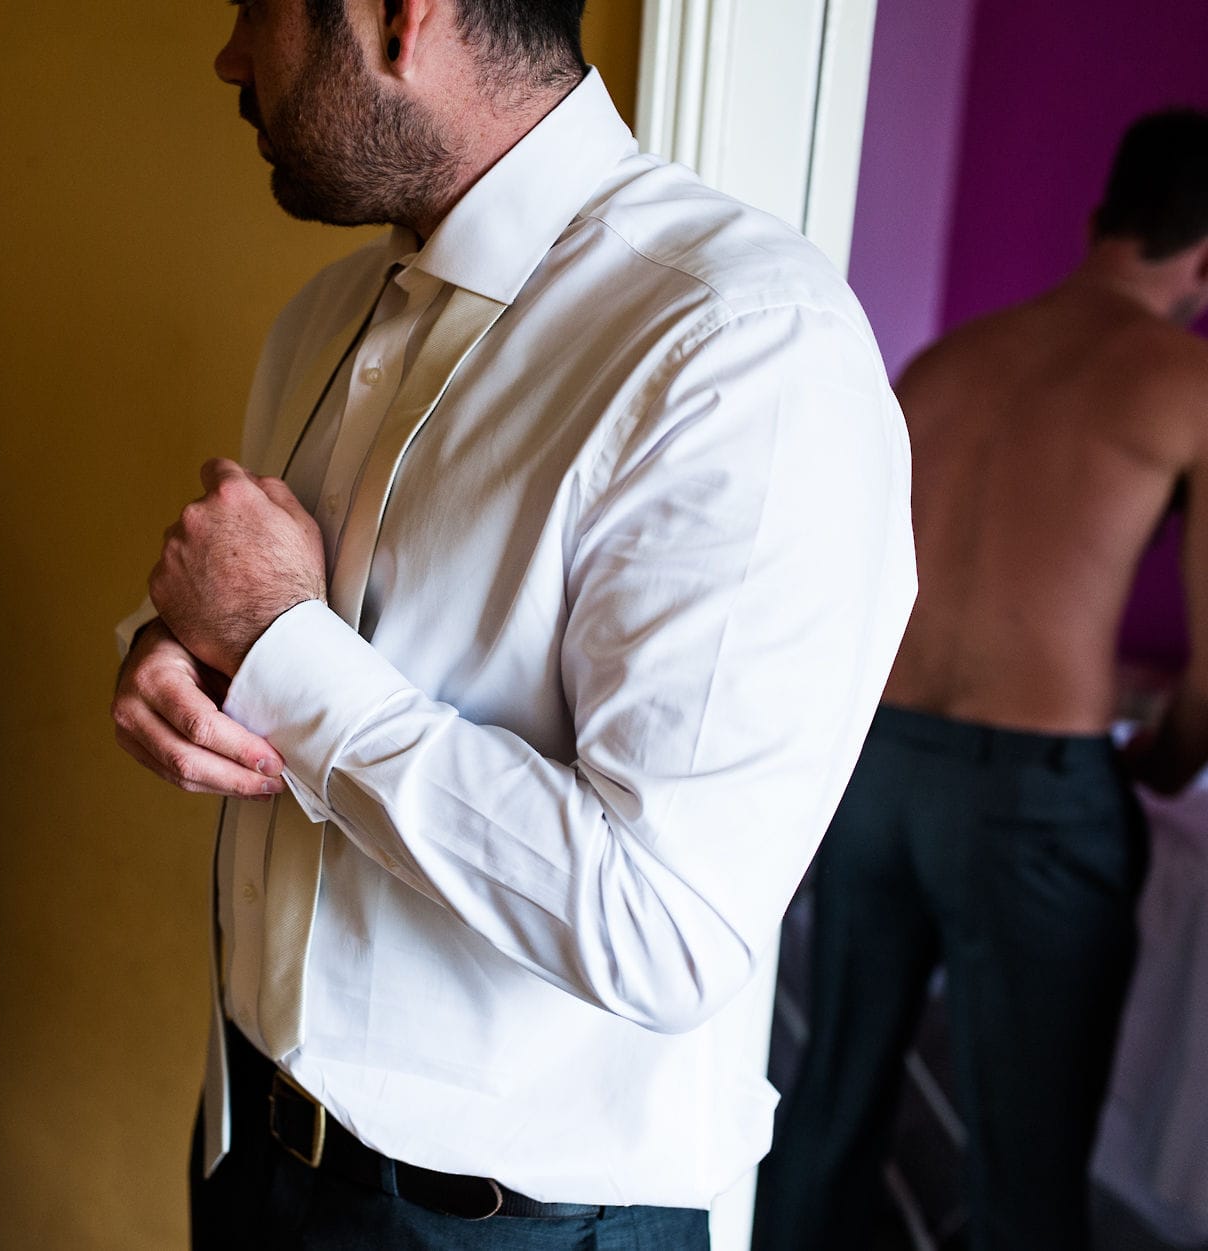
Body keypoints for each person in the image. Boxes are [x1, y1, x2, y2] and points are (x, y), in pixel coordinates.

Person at [108, 0, 916, 1245]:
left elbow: (664, 930)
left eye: (253, 11)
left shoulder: (739, 348)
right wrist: (180, 654)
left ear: (396, 19)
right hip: (245, 1151)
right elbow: (286, 627)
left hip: (514, 1228)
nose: (227, 56)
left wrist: (274, 644)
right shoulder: (325, 319)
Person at [754, 109, 1208, 1251]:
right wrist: (1168, 753)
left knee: (827, 1101)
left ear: (1103, 216)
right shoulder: (1185, 382)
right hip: (1028, 798)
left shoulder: (950, 357)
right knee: (1024, 1154)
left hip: (875, 766)